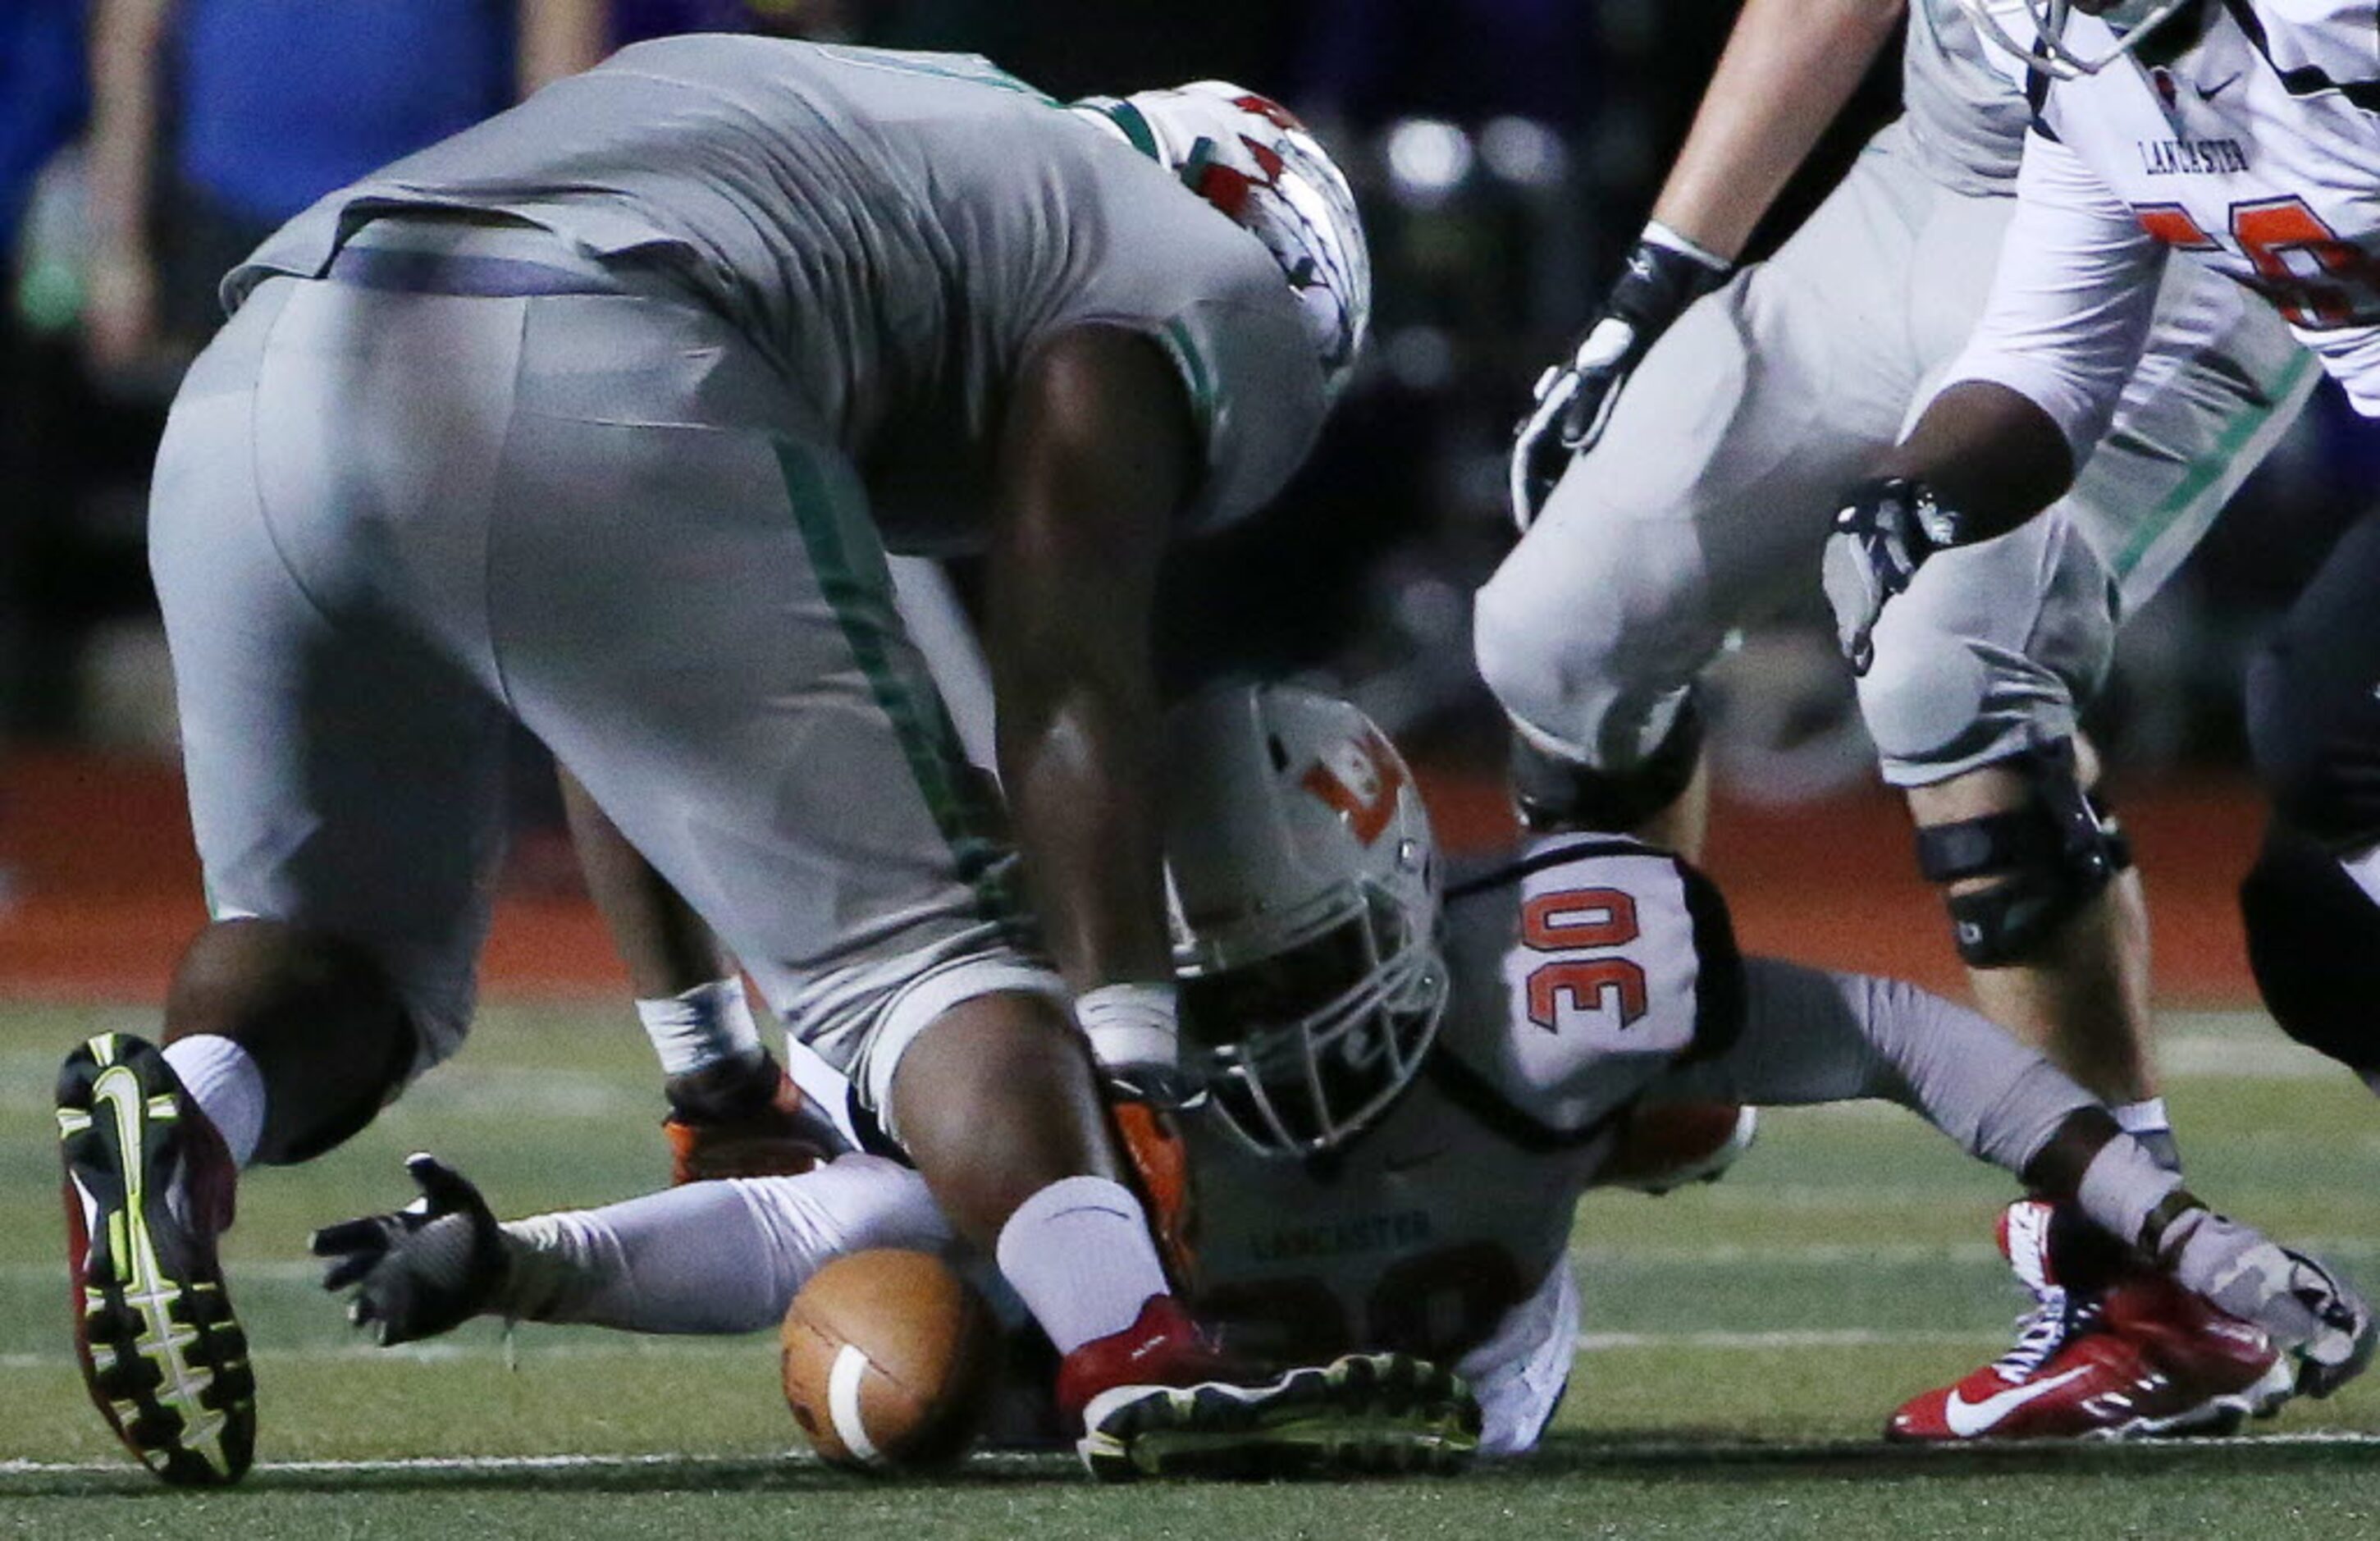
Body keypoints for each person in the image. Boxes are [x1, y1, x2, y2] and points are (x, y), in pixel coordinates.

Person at [51, 39, 1441, 1488]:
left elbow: (627, 688)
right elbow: (1067, 681)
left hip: (259, 371)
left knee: (333, 956)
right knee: (937, 959)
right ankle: (1135, 1348)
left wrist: (714, 1080)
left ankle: (195, 1114)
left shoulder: (905, 151)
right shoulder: (1178, 263)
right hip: (582, 348)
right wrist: (1130, 1062)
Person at [312, 684, 2374, 1456]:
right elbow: (803, 1210)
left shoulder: (1536, 977)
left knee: (1690, 1088)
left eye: (1302, 967)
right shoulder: (1069, 1030)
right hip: (1172, 1337)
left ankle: (1641, 1146)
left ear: (1403, 905)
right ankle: (1110, 1393)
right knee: (902, 1337)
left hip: (1471, 1365)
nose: (1274, 1025)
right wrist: (517, 1261)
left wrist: (2166, 1223)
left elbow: (1902, 1030)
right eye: (1224, 984)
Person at [1478, 0, 2316, 1434]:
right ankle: (1646, 1063)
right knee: (1556, 627)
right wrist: (1663, 275)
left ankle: (2144, 1281)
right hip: (1925, 186)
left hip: (2186, 205)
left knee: (1952, 660)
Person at [1817, 0, 2380, 1427]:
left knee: (2322, 717)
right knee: (2320, 930)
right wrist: (1914, 497)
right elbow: (2047, 365)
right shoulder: (2085, 66)